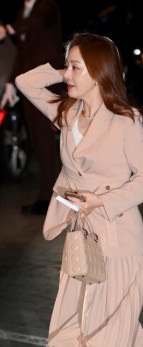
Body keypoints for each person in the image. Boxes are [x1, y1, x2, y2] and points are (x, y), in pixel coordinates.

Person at [14, 33, 143, 347]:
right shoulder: (67, 112)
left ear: (99, 70)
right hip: (81, 238)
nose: (68, 75)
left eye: (77, 66)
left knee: (102, 330)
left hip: (117, 235)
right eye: (68, 65)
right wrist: (64, 69)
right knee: (112, 329)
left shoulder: (126, 120)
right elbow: (24, 82)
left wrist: (103, 200)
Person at [0, 0, 62, 215]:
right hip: (28, 81)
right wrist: (10, 83)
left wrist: (8, 28)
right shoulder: (22, 12)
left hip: (46, 78)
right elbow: (22, 52)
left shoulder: (46, 6)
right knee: (36, 139)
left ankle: (48, 199)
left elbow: (37, 21)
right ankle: (49, 195)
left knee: (44, 138)